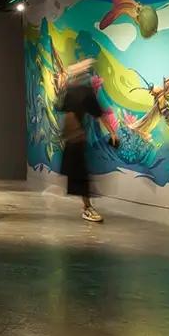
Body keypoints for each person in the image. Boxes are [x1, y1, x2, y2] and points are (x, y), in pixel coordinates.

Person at [58, 63, 118, 223]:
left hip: (73, 138)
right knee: (81, 175)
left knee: (80, 174)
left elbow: (67, 110)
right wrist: (112, 132)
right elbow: (99, 114)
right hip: (74, 138)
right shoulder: (79, 91)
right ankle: (87, 208)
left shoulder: (73, 90)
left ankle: (87, 206)